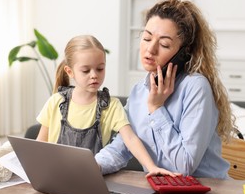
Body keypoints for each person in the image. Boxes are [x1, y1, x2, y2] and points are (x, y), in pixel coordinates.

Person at [95, 0, 235, 179]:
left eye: (164, 44)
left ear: (183, 54)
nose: (150, 49)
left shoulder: (196, 87)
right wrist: (92, 166)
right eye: (146, 38)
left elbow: (183, 167)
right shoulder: (139, 91)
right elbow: (122, 148)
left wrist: (156, 108)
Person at [36, 35, 175, 176]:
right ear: (70, 71)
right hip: (56, 177)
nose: (94, 75)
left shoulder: (111, 106)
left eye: (100, 69)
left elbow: (131, 139)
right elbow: (39, 145)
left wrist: (151, 167)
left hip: (91, 179)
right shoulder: (55, 102)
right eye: (86, 71)